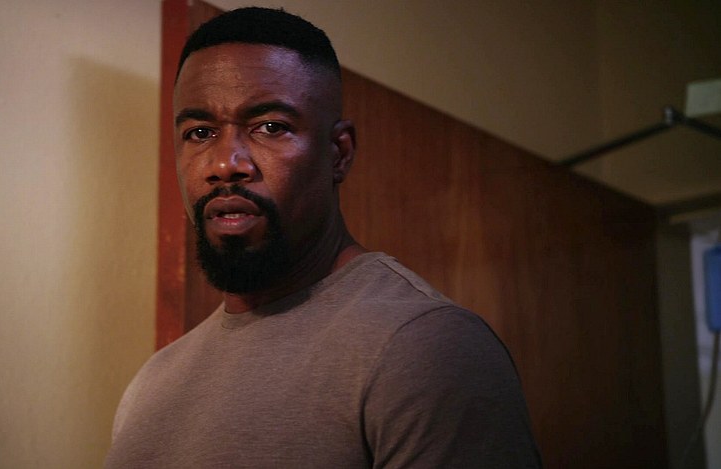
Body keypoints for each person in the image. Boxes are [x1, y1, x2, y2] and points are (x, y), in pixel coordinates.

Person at [105, 7, 541, 468]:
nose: (225, 163)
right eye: (200, 132)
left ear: (338, 153)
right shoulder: (152, 383)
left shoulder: (425, 346)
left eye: (270, 127)